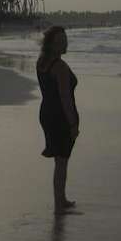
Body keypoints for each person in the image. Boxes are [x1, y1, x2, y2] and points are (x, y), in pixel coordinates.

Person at [36, 26, 79, 215]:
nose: (65, 43)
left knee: (59, 161)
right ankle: (60, 204)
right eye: (60, 40)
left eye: (65, 39)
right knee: (62, 161)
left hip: (46, 113)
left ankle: (61, 200)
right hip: (60, 116)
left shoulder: (42, 62)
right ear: (51, 44)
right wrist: (73, 123)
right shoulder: (59, 67)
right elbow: (65, 98)